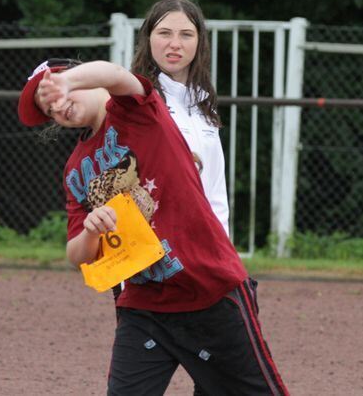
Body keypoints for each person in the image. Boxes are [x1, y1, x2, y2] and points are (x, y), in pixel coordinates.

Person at [18, 58, 288, 395]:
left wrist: (66, 80)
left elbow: (115, 75)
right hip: (142, 305)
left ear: (80, 77)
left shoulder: (135, 111)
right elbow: (77, 255)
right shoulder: (75, 169)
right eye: (48, 108)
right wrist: (90, 231)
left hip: (207, 290)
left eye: (55, 92)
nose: (56, 107)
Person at [131, 0, 230, 236]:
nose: (175, 43)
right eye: (165, 33)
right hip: (151, 243)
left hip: (203, 244)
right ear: (148, 39)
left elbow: (215, 189)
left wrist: (225, 249)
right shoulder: (135, 99)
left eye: (186, 34)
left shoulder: (205, 105)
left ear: (199, 42)